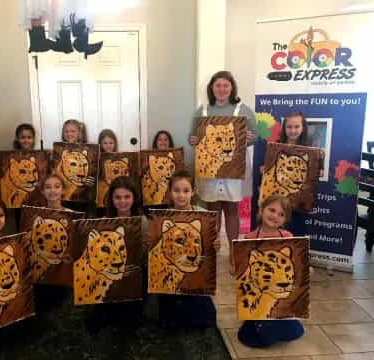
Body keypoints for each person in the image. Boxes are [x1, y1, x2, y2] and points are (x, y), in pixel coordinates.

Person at [189, 70, 257, 271]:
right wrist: (192, 140)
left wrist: (248, 137)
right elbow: (194, 138)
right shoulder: (201, 111)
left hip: (233, 169)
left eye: (225, 85)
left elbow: (256, 137)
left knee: (231, 210)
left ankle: (234, 255)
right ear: (212, 88)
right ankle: (212, 252)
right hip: (209, 169)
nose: (222, 89)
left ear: (231, 88)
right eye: (218, 85)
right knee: (212, 210)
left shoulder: (243, 110)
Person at [237, 194, 304, 348]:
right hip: (260, 296)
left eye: (281, 214)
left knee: (287, 324)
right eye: (272, 210)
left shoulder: (288, 237)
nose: (275, 216)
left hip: (280, 300)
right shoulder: (249, 238)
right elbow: (242, 270)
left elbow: (296, 266)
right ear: (261, 210)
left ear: (285, 219)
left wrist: (306, 270)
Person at [158, 170, 221, 329]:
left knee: (205, 317)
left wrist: (216, 245)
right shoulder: (163, 217)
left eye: (186, 191)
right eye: (176, 190)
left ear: (193, 192)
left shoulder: (204, 215)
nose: (181, 195)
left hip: (197, 274)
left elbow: (211, 247)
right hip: (171, 275)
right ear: (170, 192)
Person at [86, 176, 144, 333]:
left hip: (134, 277)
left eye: (127, 197)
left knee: (130, 322)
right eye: (118, 197)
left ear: (134, 198)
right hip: (107, 278)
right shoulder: (103, 223)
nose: (122, 201)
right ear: (111, 199)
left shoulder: (143, 222)